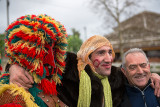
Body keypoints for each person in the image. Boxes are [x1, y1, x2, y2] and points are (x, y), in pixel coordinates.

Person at [7, 36, 160, 107]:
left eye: (109, 52)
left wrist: (154, 75)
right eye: (100, 53)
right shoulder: (70, 66)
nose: (108, 58)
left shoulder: (116, 75)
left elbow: (136, 73)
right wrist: (14, 66)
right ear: (88, 56)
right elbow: (35, 57)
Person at [0, 14, 68, 107]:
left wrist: (12, 66)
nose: (52, 63)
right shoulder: (13, 96)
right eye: (43, 52)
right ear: (25, 54)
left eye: (53, 49)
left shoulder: (65, 73)